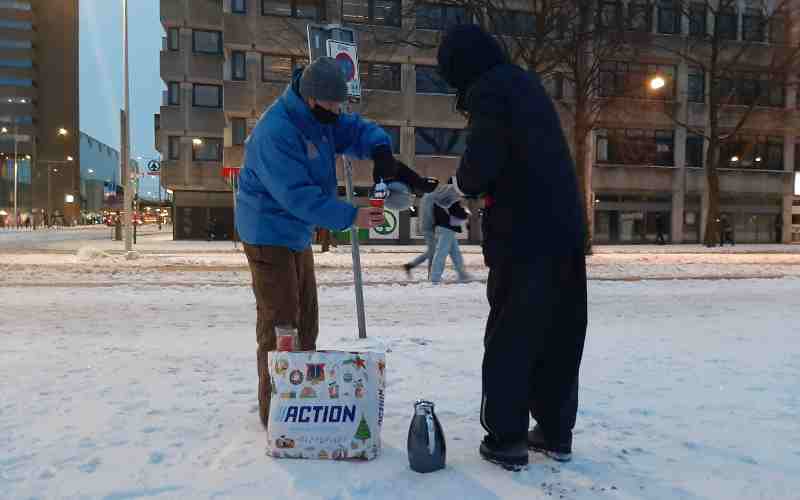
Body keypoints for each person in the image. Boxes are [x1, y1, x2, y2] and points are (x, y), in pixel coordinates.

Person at [235, 57, 436, 430]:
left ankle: (301, 395)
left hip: (296, 232)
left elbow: (357, 130)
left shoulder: (320, 118)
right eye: (333, 104)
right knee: (282, 323)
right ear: (312, 99)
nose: (338, 111)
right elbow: (297, 196)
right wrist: (351, 216)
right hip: (267, 231)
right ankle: (277, 412)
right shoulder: (276, 132)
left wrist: (380, 151)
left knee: (307, 319)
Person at [436, 25, 588, 469]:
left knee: (512, 334)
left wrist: (457, 186)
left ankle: (506, 438)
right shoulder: (525, 84)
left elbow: (481, 163)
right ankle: (555, 432)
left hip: (522, 234)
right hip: (565, 230)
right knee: (559, 332)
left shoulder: (490, 91)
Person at [430, 195, 471, 283]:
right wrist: (466, 213)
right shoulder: (451, 196)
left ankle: (462, 274)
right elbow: (456, 210)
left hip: (443, 226)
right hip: (447, 227)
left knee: (455, 253)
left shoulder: (440, 196)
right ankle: (435, 277)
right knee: (442, 252)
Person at [403, 192, 437, 279]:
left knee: (432, 250)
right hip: (429, 227)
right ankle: (431, 273)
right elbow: (429, 213)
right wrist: (434, 224)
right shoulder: (431, 196)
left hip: (427, 226)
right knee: (433, 251)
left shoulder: (426, 197)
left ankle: (411, 265)